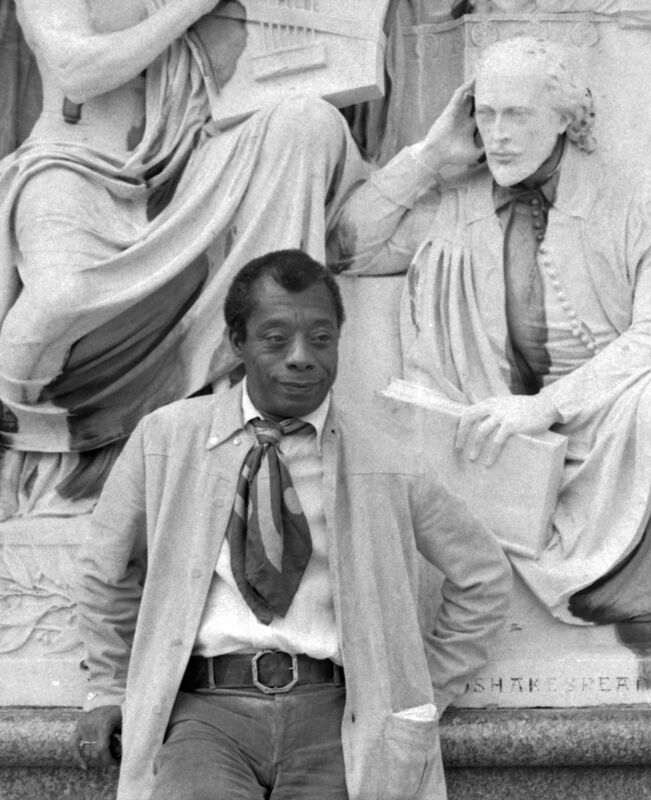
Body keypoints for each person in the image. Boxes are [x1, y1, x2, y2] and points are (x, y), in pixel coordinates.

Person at [332, 35, 651, 700]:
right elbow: (346, 247)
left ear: (565, 117)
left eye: (516, 115)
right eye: (486, 115)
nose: (497, 135)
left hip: (623, 401)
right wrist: (429, 157)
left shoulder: (648, 195)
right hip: (510, 433)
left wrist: (548, 405)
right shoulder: (455, 203)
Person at [70, 249, 511, 800]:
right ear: (238, 343)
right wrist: (109, 689)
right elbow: (105, 572)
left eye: (321, 339)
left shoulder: (387, 457)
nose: (301, 357)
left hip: (336, 720)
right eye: (276, 338)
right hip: (205, 717)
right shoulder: (166, 440)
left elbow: (483, 577)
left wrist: (417, 689)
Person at [0, 0, 367, 515]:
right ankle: (16, 445)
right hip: (74, 165)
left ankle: (267, 412)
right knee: (62, 297)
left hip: (188, 163)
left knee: (306, 120)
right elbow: (76, 70)